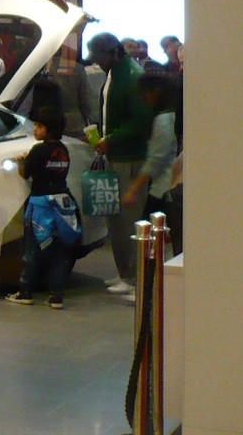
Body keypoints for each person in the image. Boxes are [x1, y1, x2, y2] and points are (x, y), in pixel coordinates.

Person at [89, 31, 150, 299]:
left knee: (129, 221)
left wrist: (111, 139)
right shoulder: (116, 72)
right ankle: (125, 272)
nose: (96, 62)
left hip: (130, 159)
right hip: (115, 156)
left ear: (113, 52)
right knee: (116, 220)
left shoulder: (133, 76)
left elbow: (142, 122)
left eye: (99, 57)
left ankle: (135, 279)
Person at [4, 106, 80, 308]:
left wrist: (21, 161)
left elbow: (25, 174)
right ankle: (56, 295)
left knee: (32, 250)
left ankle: (25, 292)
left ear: (49, 129)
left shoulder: (38, 149)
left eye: (38, 126)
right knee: (57, 252)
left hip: (40, 205)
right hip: (61, 204)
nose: (34, 129)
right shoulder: (63, 150)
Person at [125, 72, 182, 254]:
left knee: (148, 242)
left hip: (163, 189)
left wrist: (133, 189)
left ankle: (149, 273)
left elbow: (156, 160)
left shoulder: (163, 120)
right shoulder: (172, 115)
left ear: (156, 92)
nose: (143, 98)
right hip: (168, 187)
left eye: (145, 93)